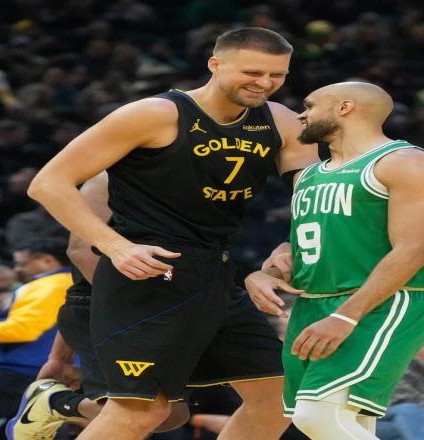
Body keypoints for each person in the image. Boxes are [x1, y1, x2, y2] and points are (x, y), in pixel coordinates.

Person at [25, 27, 319, 440]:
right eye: (253, 72)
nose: (265, 83)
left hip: (215, 275)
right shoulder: (154, 114)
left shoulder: (281, 120)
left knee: (280, 396)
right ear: (214, 64)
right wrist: (115, 246)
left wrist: (289, 243)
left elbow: (313, 198)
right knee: (144, 413)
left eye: (277, 75)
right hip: (146, 279)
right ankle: (55, 405)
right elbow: (48, 183)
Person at [245, 81, 424, 439]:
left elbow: (414, 250)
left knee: (317, 416)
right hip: (315, 303)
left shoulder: (407, 162)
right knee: (345, 420)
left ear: (345, 107)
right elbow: (312, 243)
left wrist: (346, 316)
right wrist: (267, 272)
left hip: (382, 301)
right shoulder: (309, 175)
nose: (301, 115)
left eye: (310, 105)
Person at [5, 173, 194, 439]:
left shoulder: (198, 179)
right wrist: (59, 357)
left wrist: (60, 358)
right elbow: (81, 256)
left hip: (177, 306)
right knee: (146, 411)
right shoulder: (111, 176)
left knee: (172, 414)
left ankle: (55, 402)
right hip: (128, 312)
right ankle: (55, 403)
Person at [0, 239, 72, 428]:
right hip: (33, 370)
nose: (17, 269)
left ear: (47, 260)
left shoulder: (51, 285)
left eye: (22, 263)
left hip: (20, 371)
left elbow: (23, 329)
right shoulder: (62, 282)